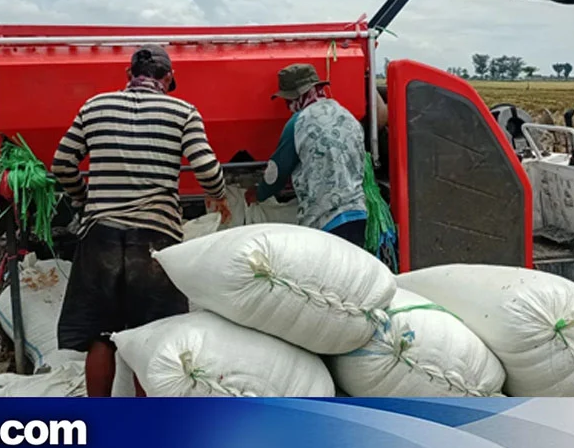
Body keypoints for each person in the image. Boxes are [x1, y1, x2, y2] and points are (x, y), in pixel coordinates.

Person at [51, 44, 231, 397]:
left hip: (100, 236)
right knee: (151, 338)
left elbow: (61, 163)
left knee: (101, 337)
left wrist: (83, 197)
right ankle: (146, 428)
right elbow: (207, 169)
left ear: (128, 75)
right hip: (155, 240)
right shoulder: (183, 111)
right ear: (168, 78)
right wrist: (219, 193)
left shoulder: (95, 106)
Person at [245, 63, 368, 247]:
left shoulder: (298, 123)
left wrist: (258, 193)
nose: (288, 105)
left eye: (288, 100)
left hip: (325, 219)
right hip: (358, 214)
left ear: (297, 96)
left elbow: (276, 173)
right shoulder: (347, 116)